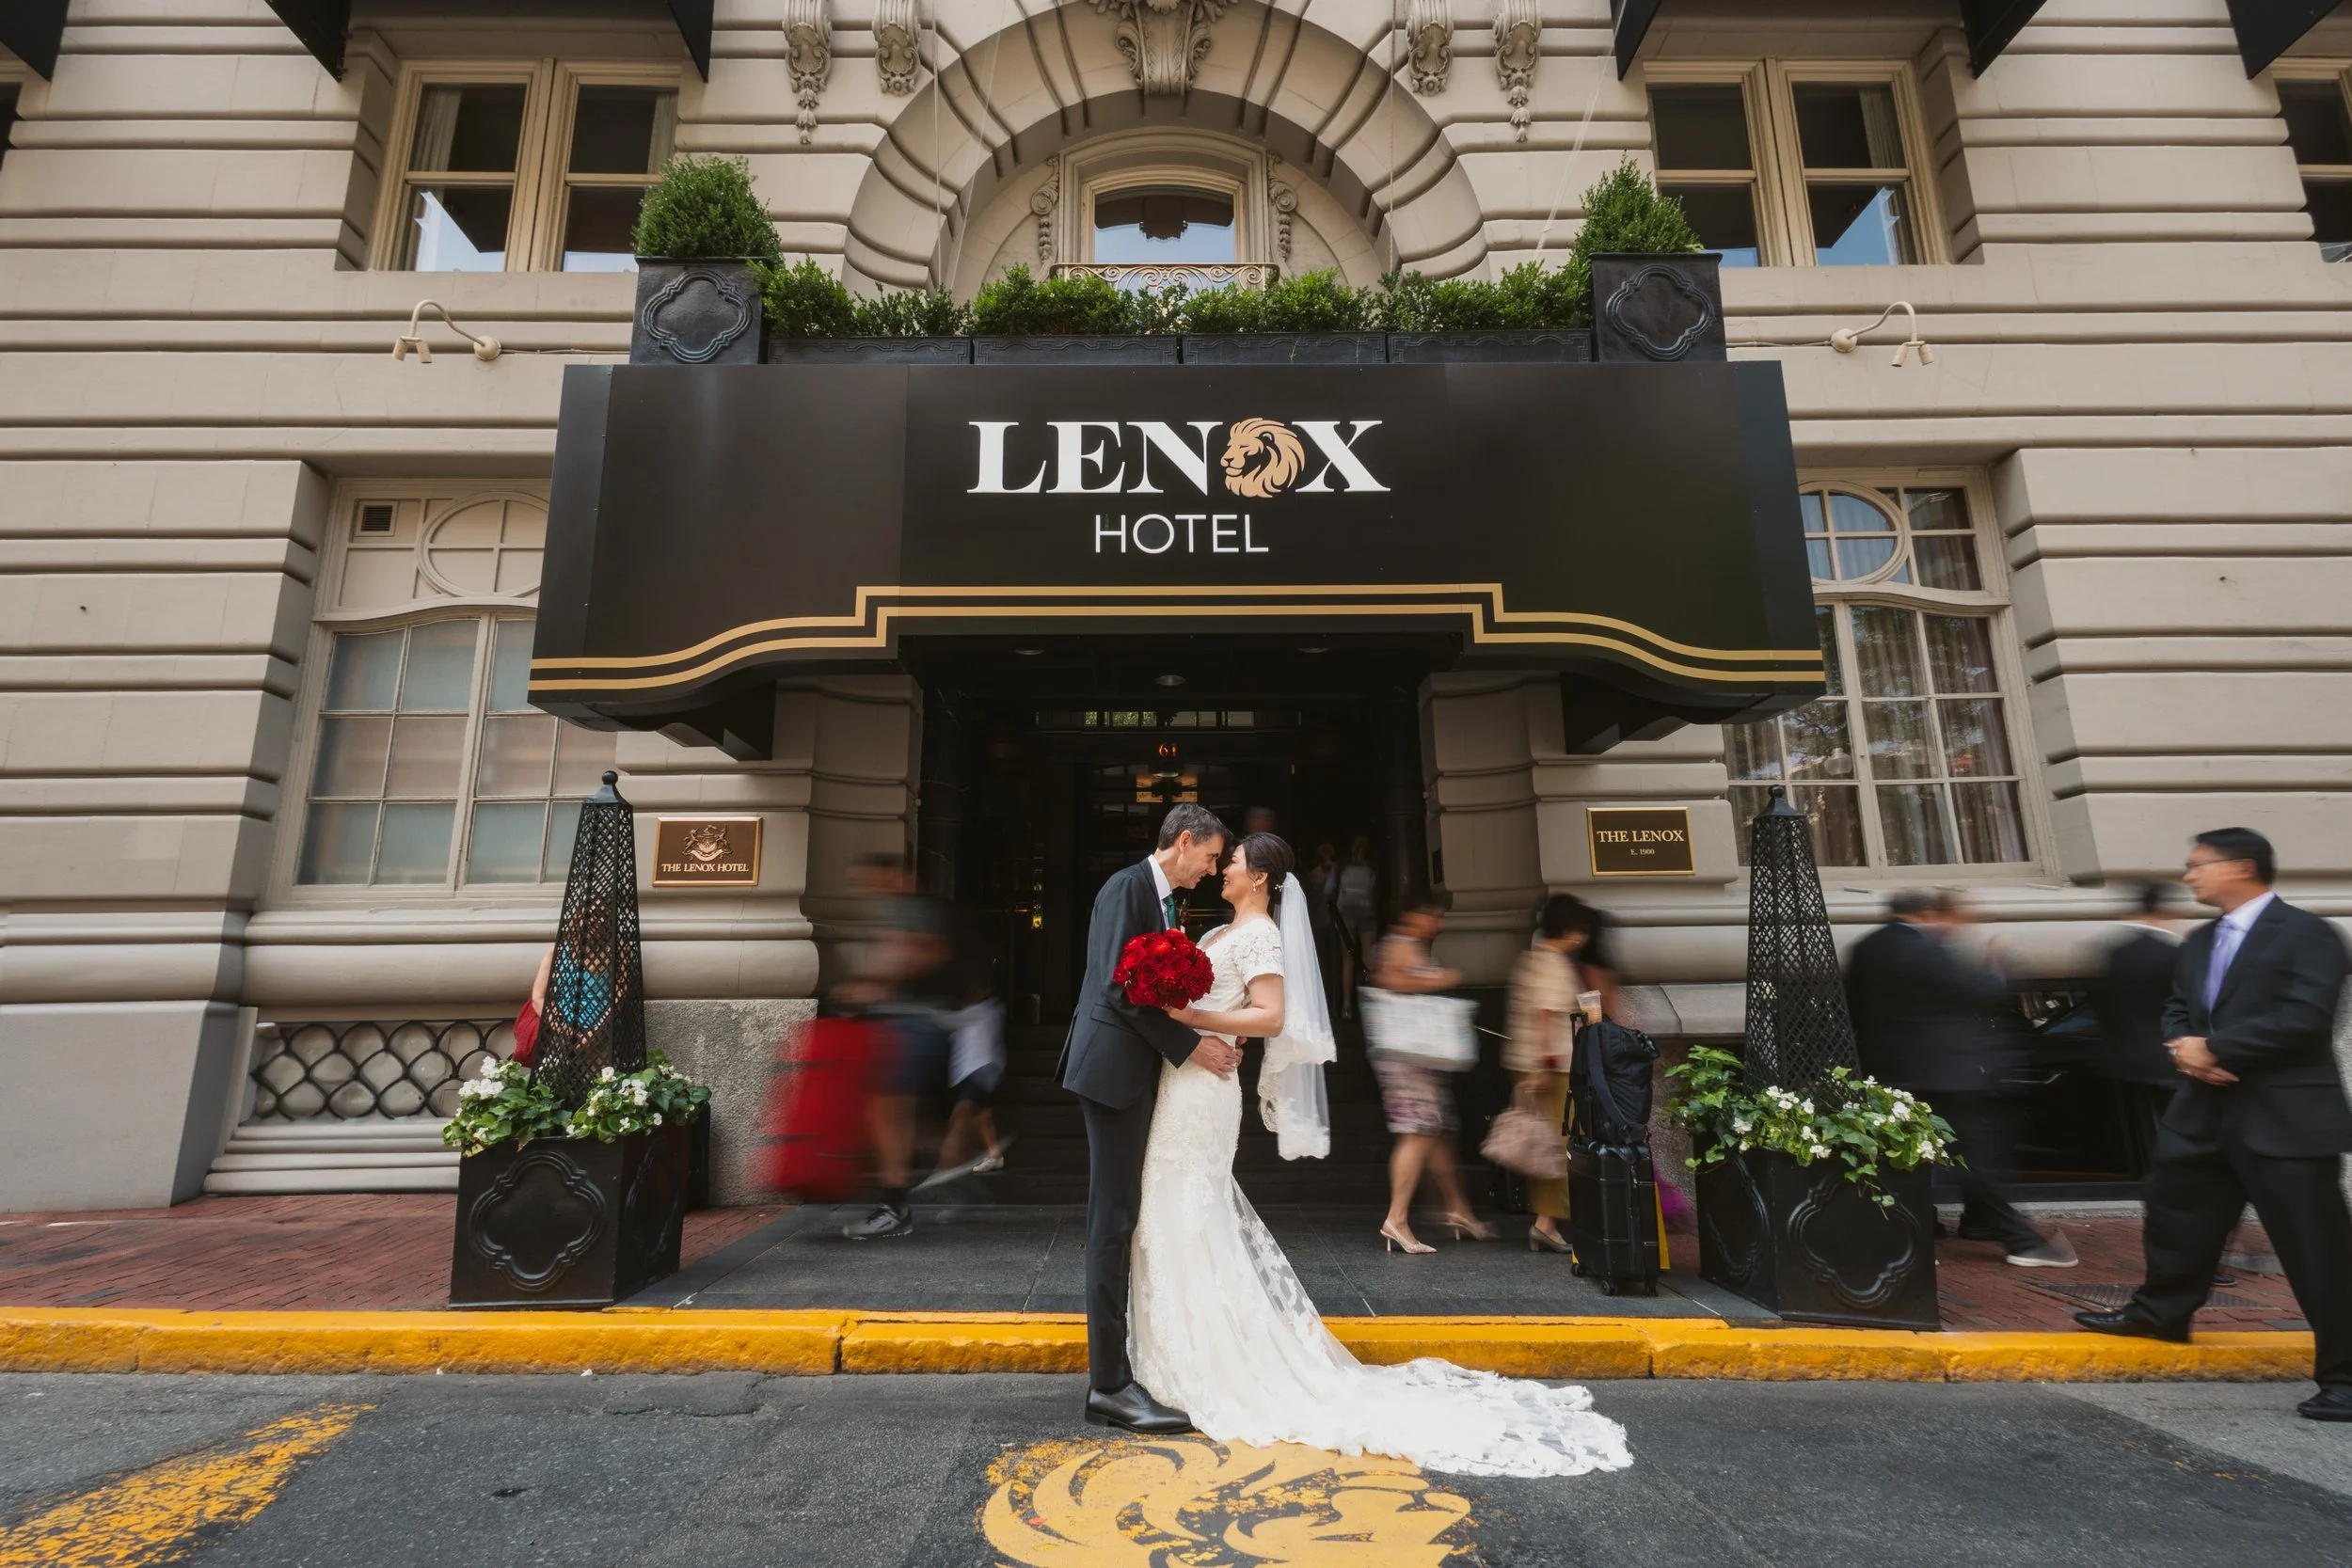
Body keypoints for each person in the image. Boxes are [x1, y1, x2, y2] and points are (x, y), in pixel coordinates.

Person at [1127, 831, 1632, 1477]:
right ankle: (1179, 1352)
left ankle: (1204, 1361)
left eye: (1232, 861)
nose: (1222, 867)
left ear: (1257, 877)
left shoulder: (1261, 937)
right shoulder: (1219, 933)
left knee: (1189, 1205)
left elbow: (1272, 1017)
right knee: (1168, 1204)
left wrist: (1195, 1021)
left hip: (1207, 1085)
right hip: (1185, 1080)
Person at [2075, 829, 2352, 1422]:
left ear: (2243, 867)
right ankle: (2162, 1315)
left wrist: (2218, 1049)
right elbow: (2178, 1007)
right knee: (2177, 1211)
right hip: (2203, 1110)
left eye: (2199, 865)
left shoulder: (2310, 934)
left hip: (2285, 1115)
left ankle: (2344, 1375)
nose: (2190, 876)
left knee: (2315, 1247)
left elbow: (2305, 1018)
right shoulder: (2200, 940)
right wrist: (2184, 1048)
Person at [1059, 803, 1241, 1435]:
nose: (1212, 871)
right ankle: (1108, 1386)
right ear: (1184, 842)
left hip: (1129, 1071)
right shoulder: (1126, 888)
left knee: (1122, 1217)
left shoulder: (1163, 898)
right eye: (1212, 858)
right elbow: (1116, 990)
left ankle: (1120, 1371)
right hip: (1111, 1073)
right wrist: (1192, 1045)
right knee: (1111, 1222)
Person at [1846, 890, 2076, 1267]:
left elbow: (1856, 1006)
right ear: (1924, 914)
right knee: (1977, 1157)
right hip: (1948, 1072)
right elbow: (1976, 996)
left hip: (1889, 1069)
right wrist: (1995, 962)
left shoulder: (1867, 947)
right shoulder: (1928, 949)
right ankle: (2021, 1241)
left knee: (1902, 1157)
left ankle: (1933, 1229)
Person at [1369, 895, 1491, 1253]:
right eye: (1432, 915)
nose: (1437, 923)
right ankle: (1397, 1218)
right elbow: (1392, 981)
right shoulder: (1401, 945)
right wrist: (1438, 979)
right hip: (1408, 1059)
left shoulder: (1406, 945)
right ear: (1413, 915)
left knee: (1437, 1133)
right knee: (1419, 1133)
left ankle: (1458, 1208)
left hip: (1416, 1058)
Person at [1508, 894, 1599, 1254]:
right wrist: (1544, 1066)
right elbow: (1545, 1015)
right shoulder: (1551, 964)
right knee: (1557, 1146)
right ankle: (1546, 1223)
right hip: (1550, 1067)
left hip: (1539, 1064)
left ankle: (1546, 1222)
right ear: (1573, 931)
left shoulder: (1536, 960)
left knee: (1548, 1147)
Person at [2093, 881, 2189, 1164]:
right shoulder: (2174, 954)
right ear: (2167, 911)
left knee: (2148, 1131)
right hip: (2171, 1057)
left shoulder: (2115, 953)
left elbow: (2104, 1009)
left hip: (2126, 1056)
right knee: (2181, 1128)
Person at [1334, 835, 1379, 1019]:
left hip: (1345, 915)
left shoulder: (1342, 867)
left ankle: (1346, 1007)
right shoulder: (1371, 867)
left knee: (1348, 960)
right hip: (1367, 913)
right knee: (1369, 956)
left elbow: (1329, 890)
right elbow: (1376, 891)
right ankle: (1370, 1005)